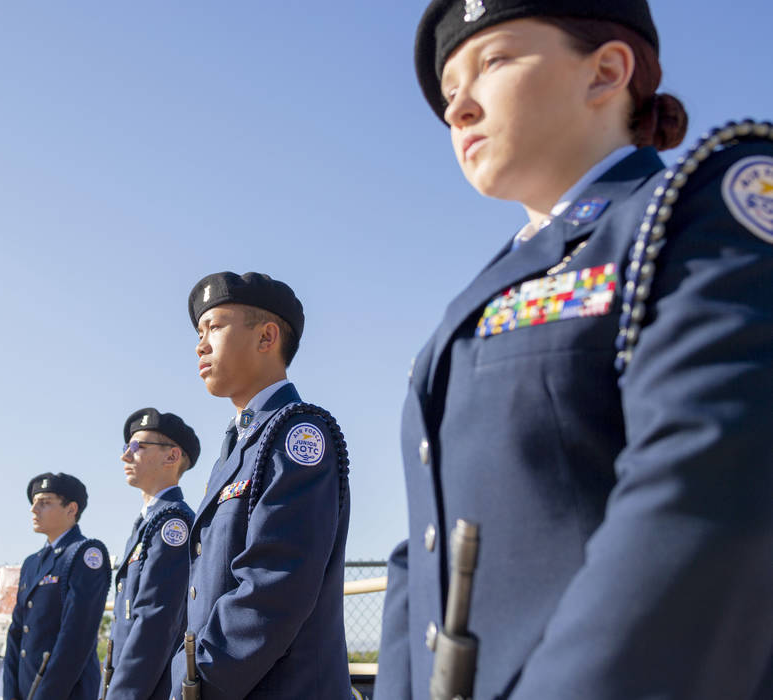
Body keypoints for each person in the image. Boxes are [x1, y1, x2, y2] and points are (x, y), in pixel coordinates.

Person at [375, 1, 773, 698]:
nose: (458, 108)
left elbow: (710, 481)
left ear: (607, 72)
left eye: (492, 61)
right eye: (447, 93)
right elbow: (423, 548)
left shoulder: (700, 208)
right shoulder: (477, 300)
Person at [170, 271, 353, 699]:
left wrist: (193, 685)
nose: (200, 344)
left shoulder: (298, 434)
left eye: (214, 327)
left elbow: (272, 587)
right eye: (199, 332)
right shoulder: (238, 446)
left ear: (266, 337)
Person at [103, 408, 199, 700]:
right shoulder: (148, 522)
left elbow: (155, 623)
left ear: (171, 456)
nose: (125, 456)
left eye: (137, 447)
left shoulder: (173, 522)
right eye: (126, 447)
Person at [3, 472, 110, 700]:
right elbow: (16, 634)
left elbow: (76, 637)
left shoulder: (85, 554)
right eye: (33, 503)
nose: (34, 510)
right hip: (25, 690)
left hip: (65, 692)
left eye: (45, 503)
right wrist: (10, 693)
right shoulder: (32, 562)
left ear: (71, 509)